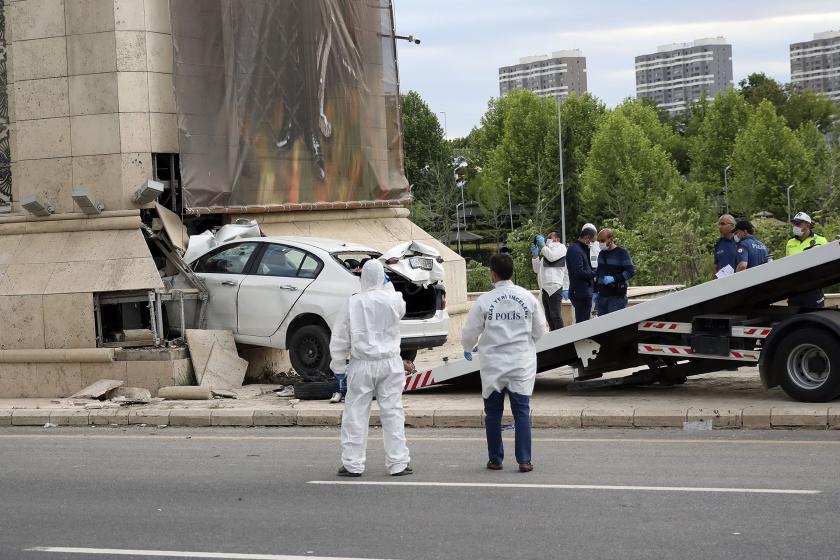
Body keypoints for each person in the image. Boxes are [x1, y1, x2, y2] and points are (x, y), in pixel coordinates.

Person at [462, 253, 546, 473]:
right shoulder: (528, 297)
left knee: (493, 413)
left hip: (493, 364)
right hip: (521, 362)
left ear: (493, 274)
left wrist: (467, 347)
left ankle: (495, 459)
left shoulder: (485, 300)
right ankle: (524, 460)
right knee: (521, 411)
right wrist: (526, 345)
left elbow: (470, 331)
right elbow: (540, 330)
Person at [329, 259, 412, 477]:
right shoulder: (395, 300)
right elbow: (397, 303)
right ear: (382, 278)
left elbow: (339, 337)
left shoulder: (353, 302)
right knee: (393, 413)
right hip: (391, 363)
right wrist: (386, 284)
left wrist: (338, 366)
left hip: (362, 364)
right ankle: (398, 463)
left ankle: (353, 464)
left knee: (355, 415)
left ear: (362, 278)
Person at [785, 211, 828, 308]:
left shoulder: (820, 240)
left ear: (807, 225)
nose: (795, 226)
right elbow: (787, 264)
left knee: (815, 319)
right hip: (794, 290)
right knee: (794, 320)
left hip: (814, 288)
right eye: (794, 223)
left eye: (798, 223)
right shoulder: (790, 242)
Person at [530, 230, 569, 330]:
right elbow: (536, 269)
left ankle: (561, 338)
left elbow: (552, 257)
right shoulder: (546, 252)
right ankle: (553, 336)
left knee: (556, 315)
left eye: (549, 237)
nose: (547, 239)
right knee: (548, 317)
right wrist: (535, 256)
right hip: (544, 288)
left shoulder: (561, 248)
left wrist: (543, 246)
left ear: (557, 239)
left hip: (555, 287)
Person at [594, 229, 636, 315]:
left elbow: (631, 271)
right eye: (599, 241)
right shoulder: (602, 253)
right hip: (601, 296)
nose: (600, 243)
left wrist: (614, 278)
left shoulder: (622, 253)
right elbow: (598, 272)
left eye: (602, 241)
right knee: (603, 327)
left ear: (610, 239)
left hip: (616, 298)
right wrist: (595, 290)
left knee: (614, 325)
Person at [566, 224, 597, 323]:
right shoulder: (575, 250)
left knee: (585, 321)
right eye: (591, 241)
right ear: (587, 237)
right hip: (580, 293)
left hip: (584, 292)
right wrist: (594, 273)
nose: (591, 244)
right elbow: (579, 272)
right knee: (582, 323)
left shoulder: (581, 249)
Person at [713, 214, 738, 279]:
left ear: (732, 226)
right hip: (723, 284)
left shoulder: (740, 242)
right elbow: (715, 266)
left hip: (738, 281)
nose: (720, 227)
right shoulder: (718, 244)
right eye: (719, 224)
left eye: (723, 224)